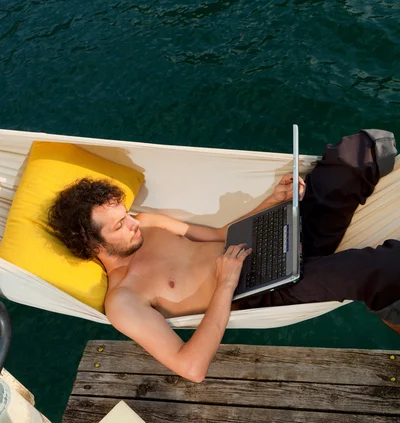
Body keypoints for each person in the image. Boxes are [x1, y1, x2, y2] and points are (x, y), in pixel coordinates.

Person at [48, 129, 400, 382]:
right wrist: (225, 284)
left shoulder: (148, 223)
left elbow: (220, 235)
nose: (132, 223)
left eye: (126, 213)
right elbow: (191, 368)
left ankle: (388, 299)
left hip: (272, 238)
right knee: (384, 267)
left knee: (360, 151)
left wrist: (274, 201)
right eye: (119, 226)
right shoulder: (123, 302)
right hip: (262, 288)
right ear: (94, 246)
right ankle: (392, 308)